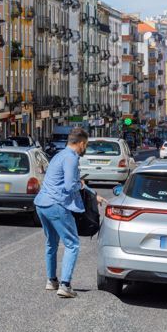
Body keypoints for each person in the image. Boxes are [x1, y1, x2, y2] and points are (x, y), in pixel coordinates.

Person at [34, 127, 101, 299]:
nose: (85, 148)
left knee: (52, 243)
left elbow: (66, 181)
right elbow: (71, 186)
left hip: (42, 203)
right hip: (57, 205)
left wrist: (93, 194)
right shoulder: (71, 158)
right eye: (85, 145)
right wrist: (81, 185)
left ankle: (52, 281)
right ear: (81, 143)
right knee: (72, 244)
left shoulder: (59, 155)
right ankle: (65, 285)